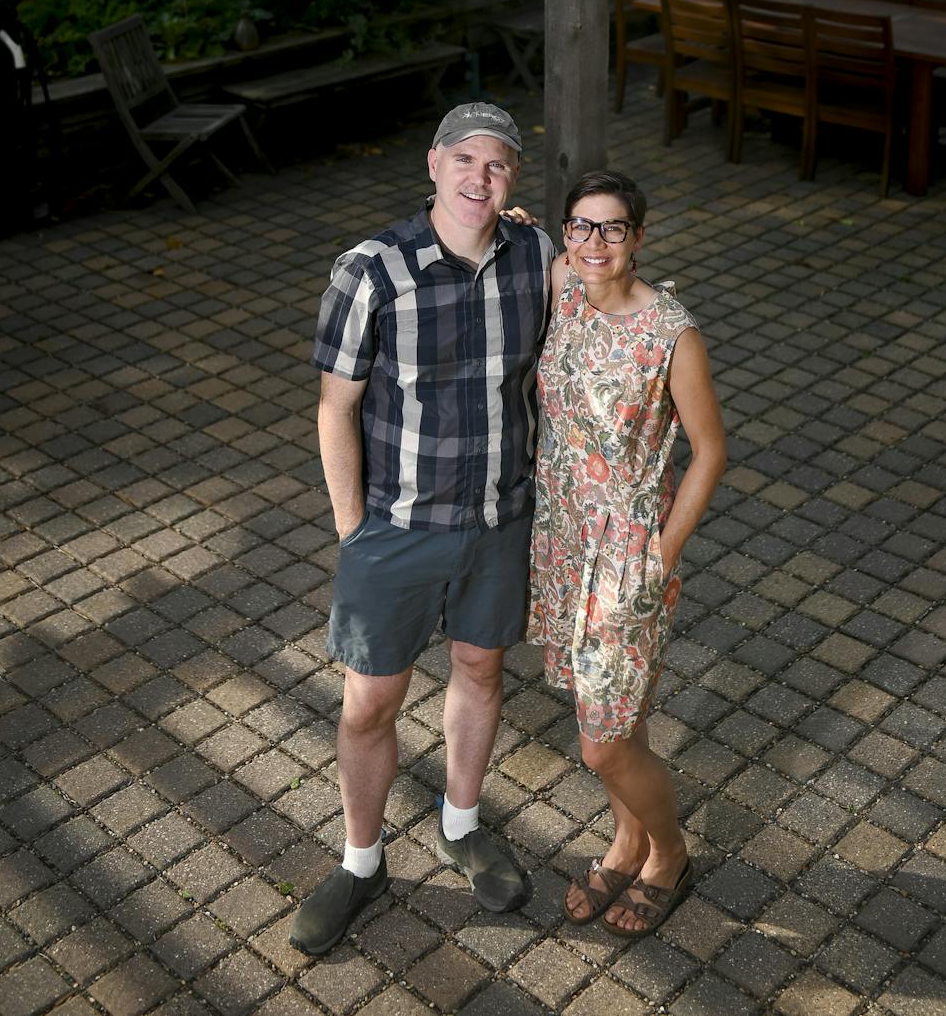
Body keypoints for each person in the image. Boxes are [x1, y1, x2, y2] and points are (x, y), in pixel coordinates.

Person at [291, 102, 554, 956]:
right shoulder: (372, 272)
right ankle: (361, 862)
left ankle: (462, 823)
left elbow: (610, 279)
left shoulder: (537, 257)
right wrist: (352, 529)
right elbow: (336, 406)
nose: (482, 179)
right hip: (396, 528)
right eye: (467, 161)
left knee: (480, 670)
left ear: (513, 180)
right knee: (371, 702)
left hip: (498, 518)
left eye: (500, 166)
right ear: (434, 165)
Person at [529, 170, 726, 937]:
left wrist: (662, 552)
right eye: (581, 226)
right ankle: (627, 841)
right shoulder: (566, 289)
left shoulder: (671, 332)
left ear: (639, 238)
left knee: (601, 744)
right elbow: (523, 248)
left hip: (627, 553)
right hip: (564, 540)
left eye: (613, 228)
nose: (594, 243)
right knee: (616, 713)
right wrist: (519, 224)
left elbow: (709, 452)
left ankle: (669, 852)